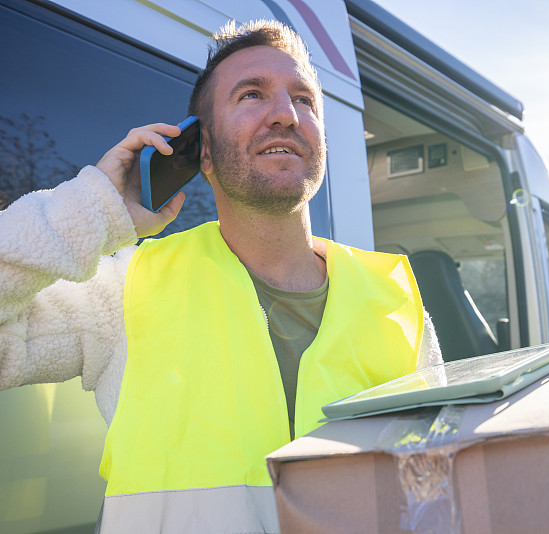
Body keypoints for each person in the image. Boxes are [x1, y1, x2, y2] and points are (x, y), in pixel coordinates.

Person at [0, 19, 441, 533]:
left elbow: (432, 486)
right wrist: (94, 207)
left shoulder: (395, 297)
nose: (285, 115)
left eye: (304, 100)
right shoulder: (127, 289)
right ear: (201, 152)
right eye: (252, 95)